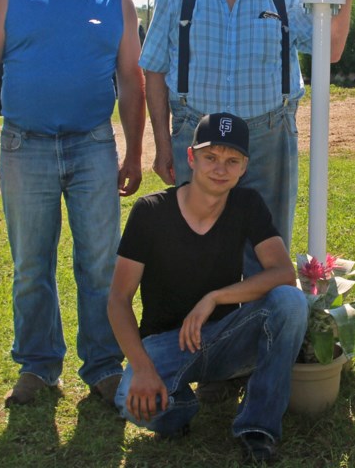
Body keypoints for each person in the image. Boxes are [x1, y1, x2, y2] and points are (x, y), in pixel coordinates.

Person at [0, 0, 145, 406]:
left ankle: (104, 366)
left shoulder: (116, 3)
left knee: (99, 264)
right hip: (26, 147)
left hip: (92, 146)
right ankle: (39, 367)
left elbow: (130, 81)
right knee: (31, 264)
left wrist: (133, 153)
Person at [140, 0, 355, 269]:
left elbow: (331, 49)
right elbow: (154, 68)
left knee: (268, 251)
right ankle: (205, 329)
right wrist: (162, 145)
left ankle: (264, 328)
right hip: (196, 138)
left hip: (268, 138)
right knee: (195, 256)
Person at [107, 113, 307, 463]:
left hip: (226, 336)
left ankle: (258, 427)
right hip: (166, 343)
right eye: (210, 157)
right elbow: (118, 300)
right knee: (131, 403)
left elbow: (282, 274)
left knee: (290, 302)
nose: (220, 169)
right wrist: (140, 366)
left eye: (232, 161)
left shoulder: (246, 204)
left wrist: (213, 298)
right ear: (191, 158)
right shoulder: (151, 211)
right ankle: (181, 404)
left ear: (244, 166)